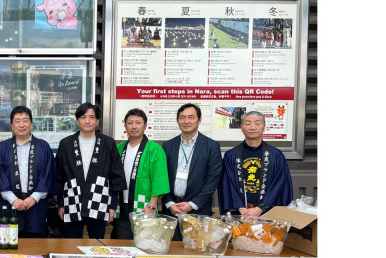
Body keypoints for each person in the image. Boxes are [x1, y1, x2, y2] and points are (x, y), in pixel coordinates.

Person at [56, 103, 126, 239]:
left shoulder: (108, 143)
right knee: (72, 245)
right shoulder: (66, 144)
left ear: (98, 121)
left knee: (97, 244)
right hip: (72, 201)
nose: (87, 121)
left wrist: (112, 206)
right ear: (77, 120)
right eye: (83, 117)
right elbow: (59, 176)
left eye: (92, 117)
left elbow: (115, 176)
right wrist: (60, 204)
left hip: (99, 200)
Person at [0, 106, 56, 238]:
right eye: (17, 121)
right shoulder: (3, 147)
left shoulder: (43, 147)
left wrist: (33, 198)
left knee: (35, 248)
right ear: (12, 125)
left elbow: (47, 176)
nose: (22, 125)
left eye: (25, 120)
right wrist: (14, 200)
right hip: (9, 204)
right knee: (9, 244)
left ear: (31, 123)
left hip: (36, 205)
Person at [161, 103, 223, 239]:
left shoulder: (211, 146)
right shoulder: (168, 145)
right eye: (182, 118)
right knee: (170, 251)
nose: (186, 121)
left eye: (191, 117)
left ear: (199, 120)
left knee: (197, 250)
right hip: (171, 211)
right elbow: (161, 177)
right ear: (177, 121)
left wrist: (192, 204)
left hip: (198, 210)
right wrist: (170, 203)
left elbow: (213, 179)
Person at [219, 111, 294, 216]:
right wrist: (240, 208)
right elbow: (227, 185)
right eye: (248, 123)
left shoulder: (276, 155)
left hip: (268, 213)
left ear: (264, 127)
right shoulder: (231, 155)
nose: (252, 127)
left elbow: (279, 184)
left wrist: (260, 208)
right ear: (241, 127)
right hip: (240, 213)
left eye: (257, 123)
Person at [112, 108, 170, 240]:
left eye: (138, 122)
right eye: (130, 123)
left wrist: (152, 205)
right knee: (123, 242)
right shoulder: (119, 148)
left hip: (144, 206)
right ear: (125, 125)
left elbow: (159, 179)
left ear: (145, 126)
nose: (134, 126)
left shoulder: (155, 149)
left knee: (145, 243)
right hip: (121, 205)